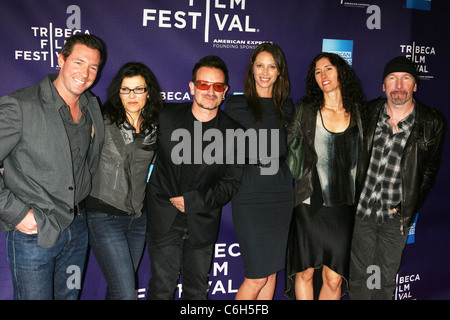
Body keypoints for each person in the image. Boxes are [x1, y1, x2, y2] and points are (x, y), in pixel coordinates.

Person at [0, 34, 105, 299]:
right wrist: (16, 213)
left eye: (93, 67)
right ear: (61, 59)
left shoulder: (92, 105)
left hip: (78, 227)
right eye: (79, 62)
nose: (86, 73)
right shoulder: (20, 106)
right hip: (34, 232)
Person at [145, 55, 244, 300]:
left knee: (196, 293)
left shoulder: (235, 133)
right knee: (161, 290)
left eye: (217, 86)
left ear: (225, 92)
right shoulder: (164, 116)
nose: (210, 91)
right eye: (203, 84)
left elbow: (231, 183)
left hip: (201, 223)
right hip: (164, 219)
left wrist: (194, 201)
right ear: (192, 87)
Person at [349, 56, 446, 300]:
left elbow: (428, 172)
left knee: (384, 281)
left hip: (395, 219)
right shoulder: (367, 112)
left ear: (415, 85)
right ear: (383, 86)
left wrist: (406, 207)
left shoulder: (431, 122)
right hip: (362, 212)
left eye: (406, 79)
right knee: (360, 279)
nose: (399, 85)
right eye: (392, 79)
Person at [285, 52, 365, 300]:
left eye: (328, 69)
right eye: (318, 72)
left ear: (341, 72)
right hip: (310, 205)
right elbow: (288, 148)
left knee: (333, 278)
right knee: (305, 272)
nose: (323, 75)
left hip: (344, 208)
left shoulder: (361, 113)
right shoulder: (306, 111)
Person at [85, 62, 162, 299]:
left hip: (138, 219)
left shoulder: (155, 126)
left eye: (138, 89)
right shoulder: (101, 121)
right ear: (118, 92)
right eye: (126, 89)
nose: (132, 95)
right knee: (126, 292)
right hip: (104, 216)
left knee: (118, 290)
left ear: (148, 92)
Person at [224, 43, 294, 300]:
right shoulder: (236, 104)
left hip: (281, 192)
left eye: (272, 66)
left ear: (279, 72)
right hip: (250, 192)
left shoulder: (286, 106)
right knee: (256, 276)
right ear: (252, 69)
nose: (265, 72)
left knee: (272, 272)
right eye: (260, 65)